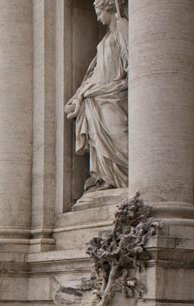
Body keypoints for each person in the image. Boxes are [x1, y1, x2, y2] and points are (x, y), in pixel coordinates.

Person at [64, 0, 129, 193]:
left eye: (99, 13)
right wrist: (80, 93)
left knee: (118, 133)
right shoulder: (106, 38)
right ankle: (107, 177)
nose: (98, 18)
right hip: (97, 95)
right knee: (99, 140)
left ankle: (130, 174)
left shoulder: (123, 28)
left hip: (113, 92)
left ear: (108, 9)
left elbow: (130, 59)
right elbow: (96, 70)